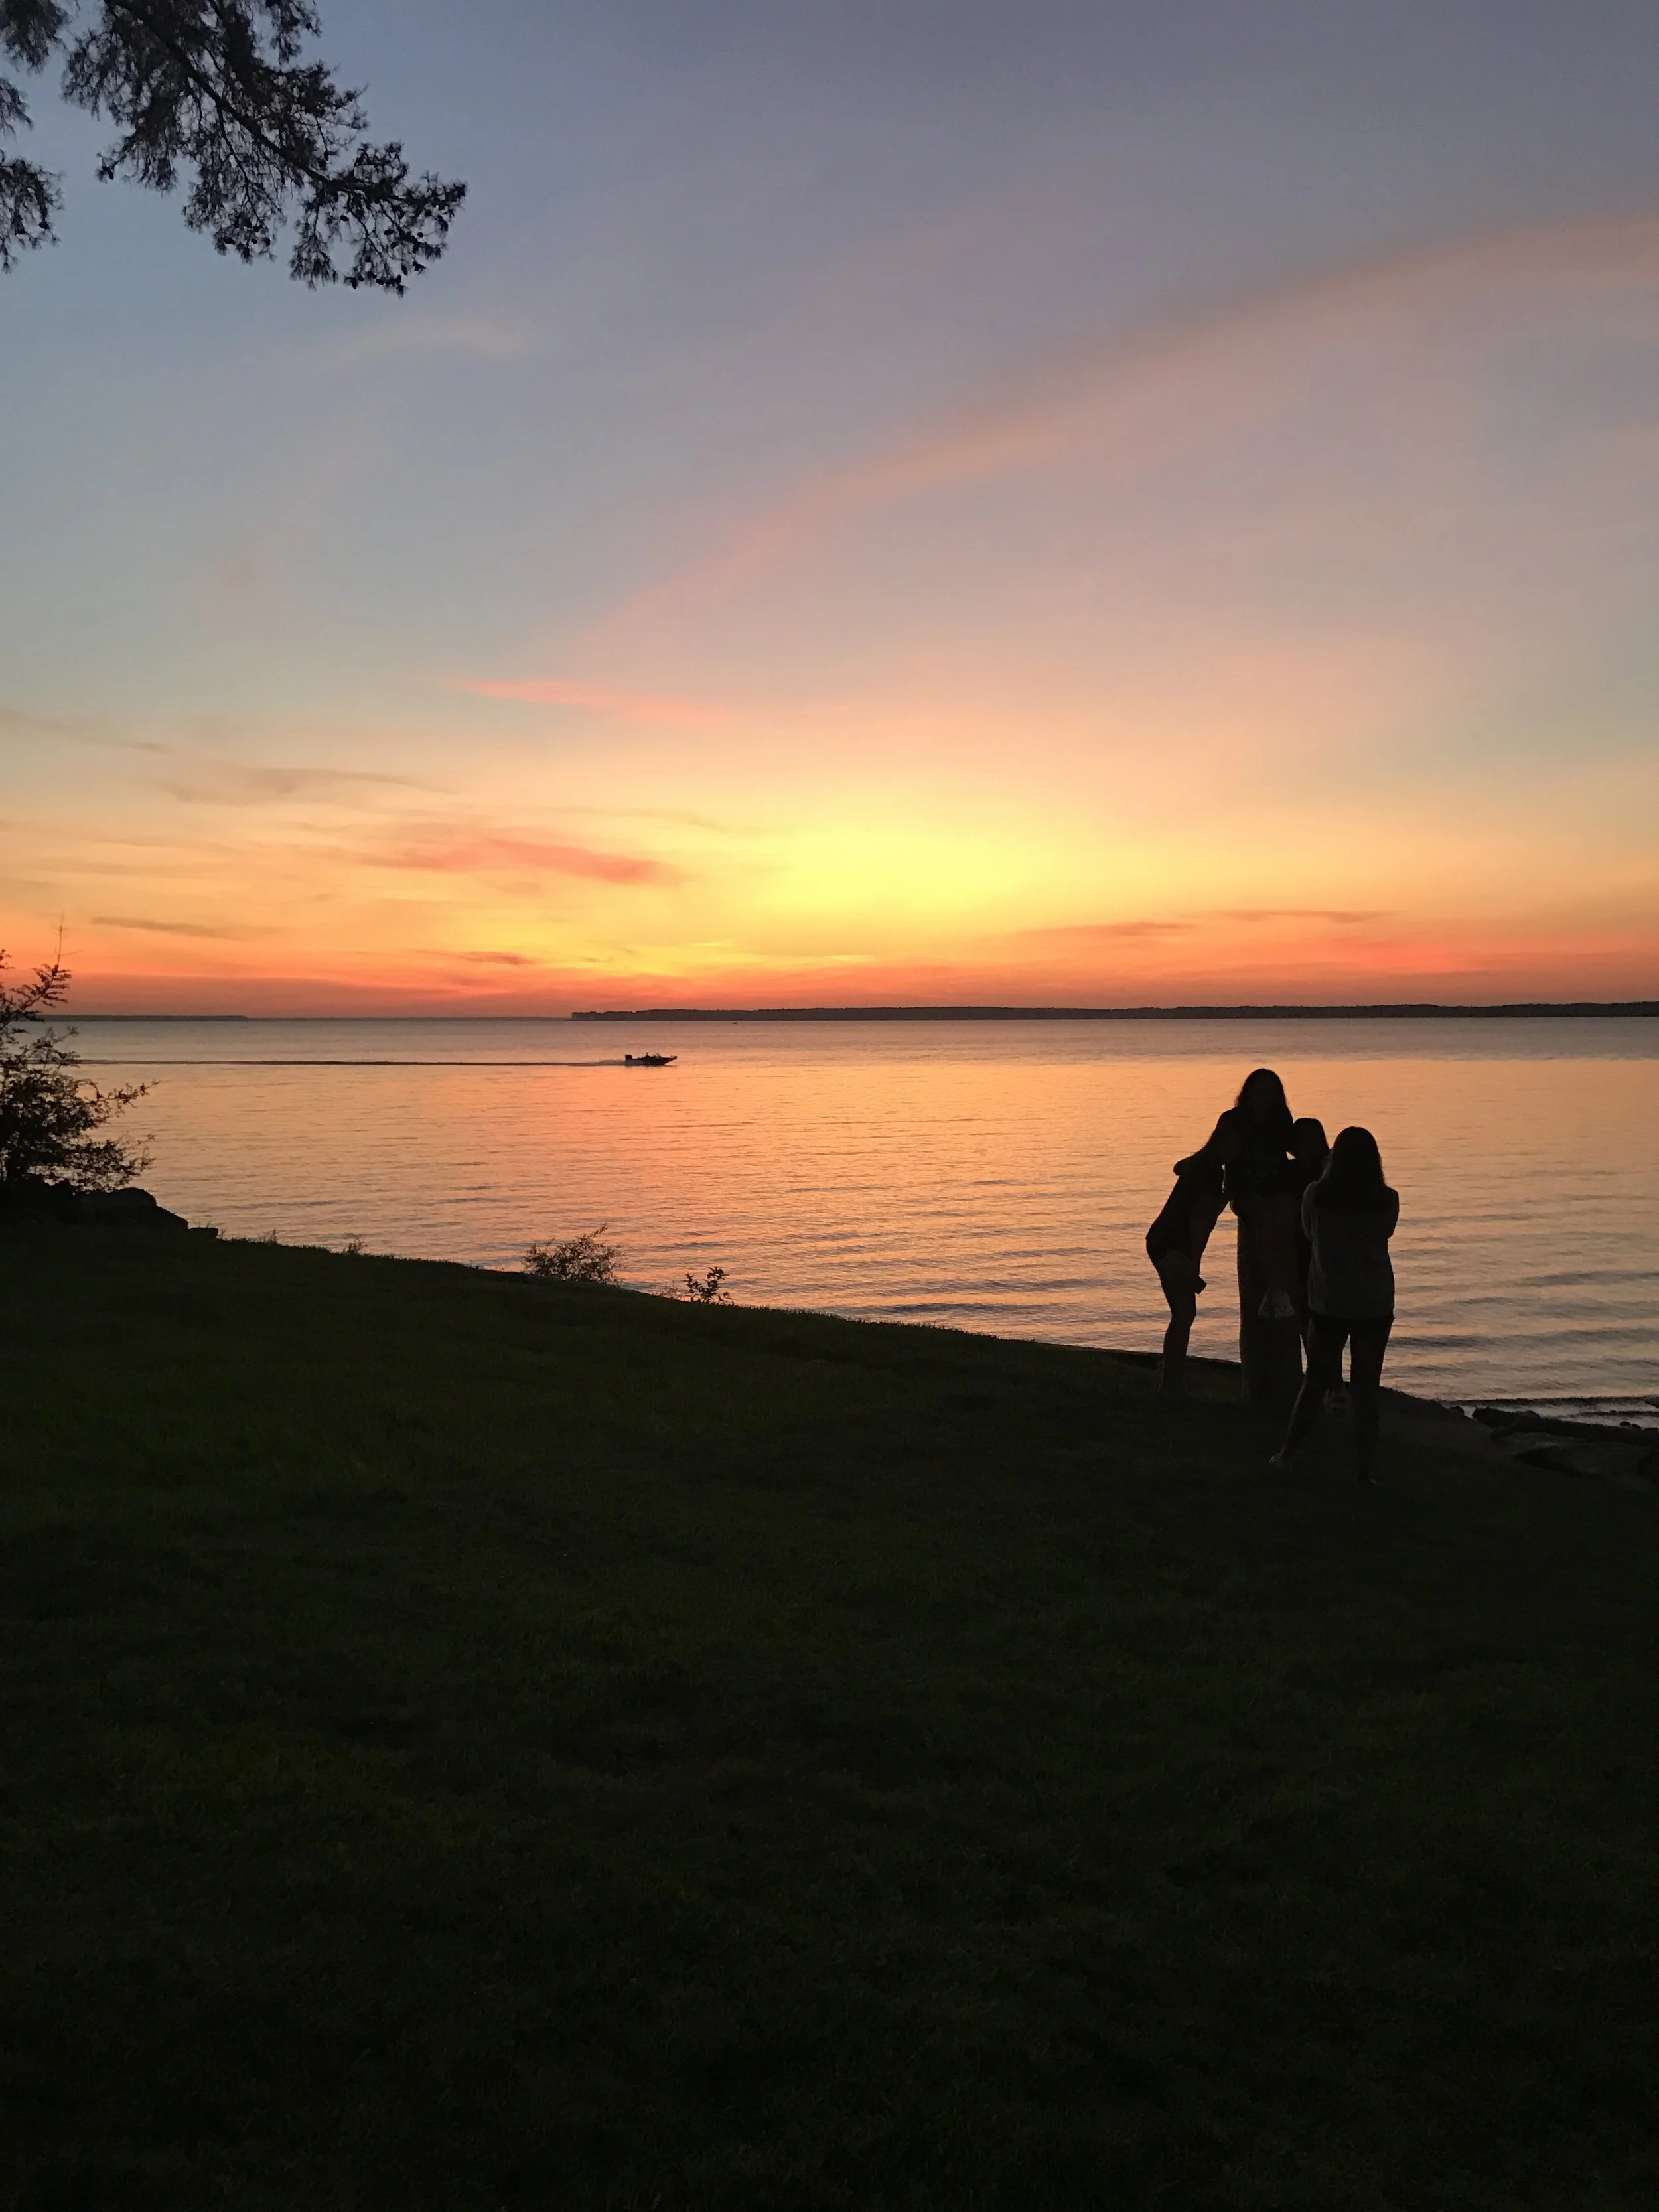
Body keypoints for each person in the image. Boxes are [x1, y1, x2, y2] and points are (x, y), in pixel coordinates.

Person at [1269, 1126, 1398, 1483]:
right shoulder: (1387, 1199)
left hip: (1329, 1302)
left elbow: (1309, 1234)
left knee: (1314, 1382)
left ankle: (1287, 1454)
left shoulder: (1315, 1196)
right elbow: (1385, 1233)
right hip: (1374, 1303)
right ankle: (1363, 1474)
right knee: (1367, 1389)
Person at [1183, 1069, 1302, 1321]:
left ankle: (1279, 1289)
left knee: (1284, 1223)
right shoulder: (1233, 1119)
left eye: (1270, 1092)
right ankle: (1277, 1291)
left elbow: (1292, 1146)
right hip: (1244, 1187)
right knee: (1262, 1221)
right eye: (1260, 1091)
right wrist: (1191, 1164)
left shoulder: (1280, 1118)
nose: (1264, 1097)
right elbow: (1215, 1149)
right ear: (1248, 1093)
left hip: (1277, 1184)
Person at [1145, 1145, 1226, 1399]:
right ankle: (1170, 1385)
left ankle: (1172, 1382)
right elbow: (1200, 1222)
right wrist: (1195, 1265)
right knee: (1184, 1314)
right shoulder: (1212, 1173)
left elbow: (1178, 1168)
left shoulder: (1200, 1165)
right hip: (1174, 1245)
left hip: (1161, 1240)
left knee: (1183, 1314)